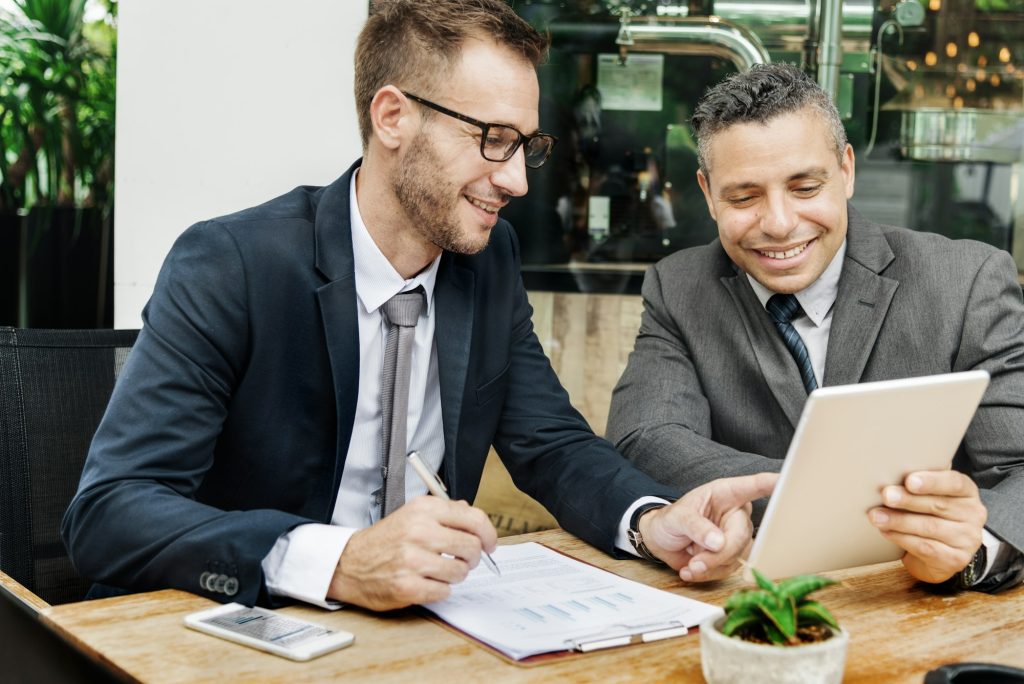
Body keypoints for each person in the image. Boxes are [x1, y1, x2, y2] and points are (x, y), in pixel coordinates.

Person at [61, 0, 777, 612]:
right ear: (393, 116)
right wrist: (337, 562)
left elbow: (551, 445)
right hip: (236, 633)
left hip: (420, 633)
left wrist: (651, 521)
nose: (517, 181)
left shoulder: (485, 262)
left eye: (524, 146)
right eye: (492, 140)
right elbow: (110, 513)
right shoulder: (231, 266)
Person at [607, 63, 1024, 593]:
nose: (778, 223)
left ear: (846, 170)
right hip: (748, 604)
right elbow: (645, 436)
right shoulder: (678, 286)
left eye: (805, 187)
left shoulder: (966, 281)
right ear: (708, 193)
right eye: (743, 197)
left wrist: (972, 550)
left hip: (921, 605)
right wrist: (833, 493)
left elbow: (1021, 466)